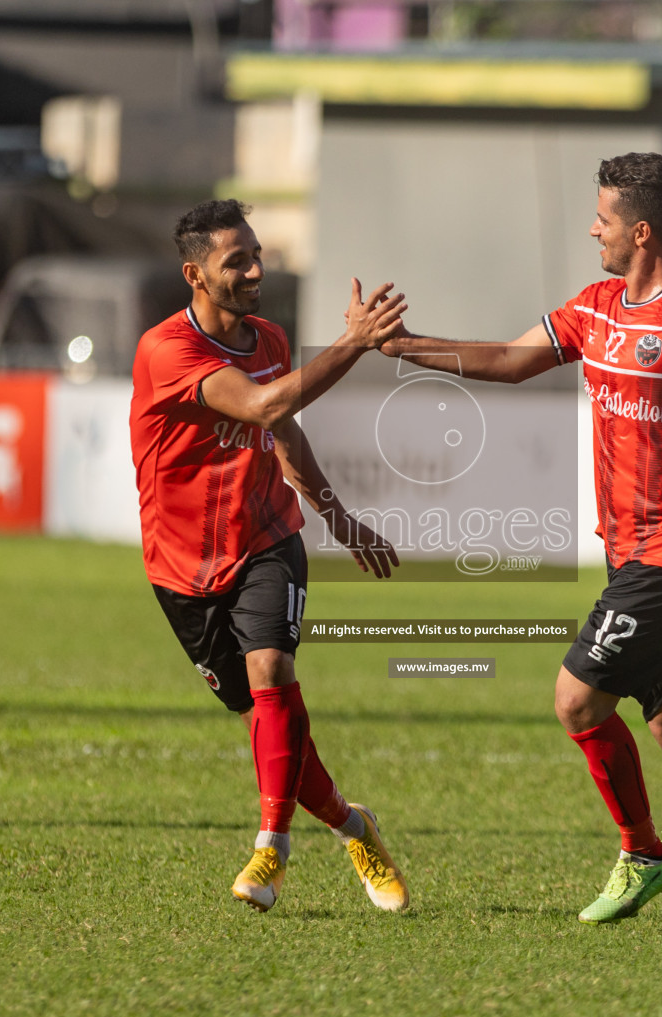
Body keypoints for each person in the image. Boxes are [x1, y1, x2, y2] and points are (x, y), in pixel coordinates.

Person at [377, 153, 662, 930]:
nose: (593, 229)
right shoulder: (595, 307)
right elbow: (513, 361)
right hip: (627, 546)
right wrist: (407, 346)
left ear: (641, 231)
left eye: (604, 219)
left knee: (578, 700)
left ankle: (644, 854)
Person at [130, 198, 411, 914]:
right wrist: (352, 344)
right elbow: (258, 408)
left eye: (258, 254)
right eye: (238, 261)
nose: (257, 269)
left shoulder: (271, 340)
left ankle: (272, 848)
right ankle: (355, 825)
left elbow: (280, 429)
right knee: (262, 712)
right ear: (194, 274)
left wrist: (337, 518)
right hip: (180, 565)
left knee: (271, 669)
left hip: (267, 536)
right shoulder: (167, 350)